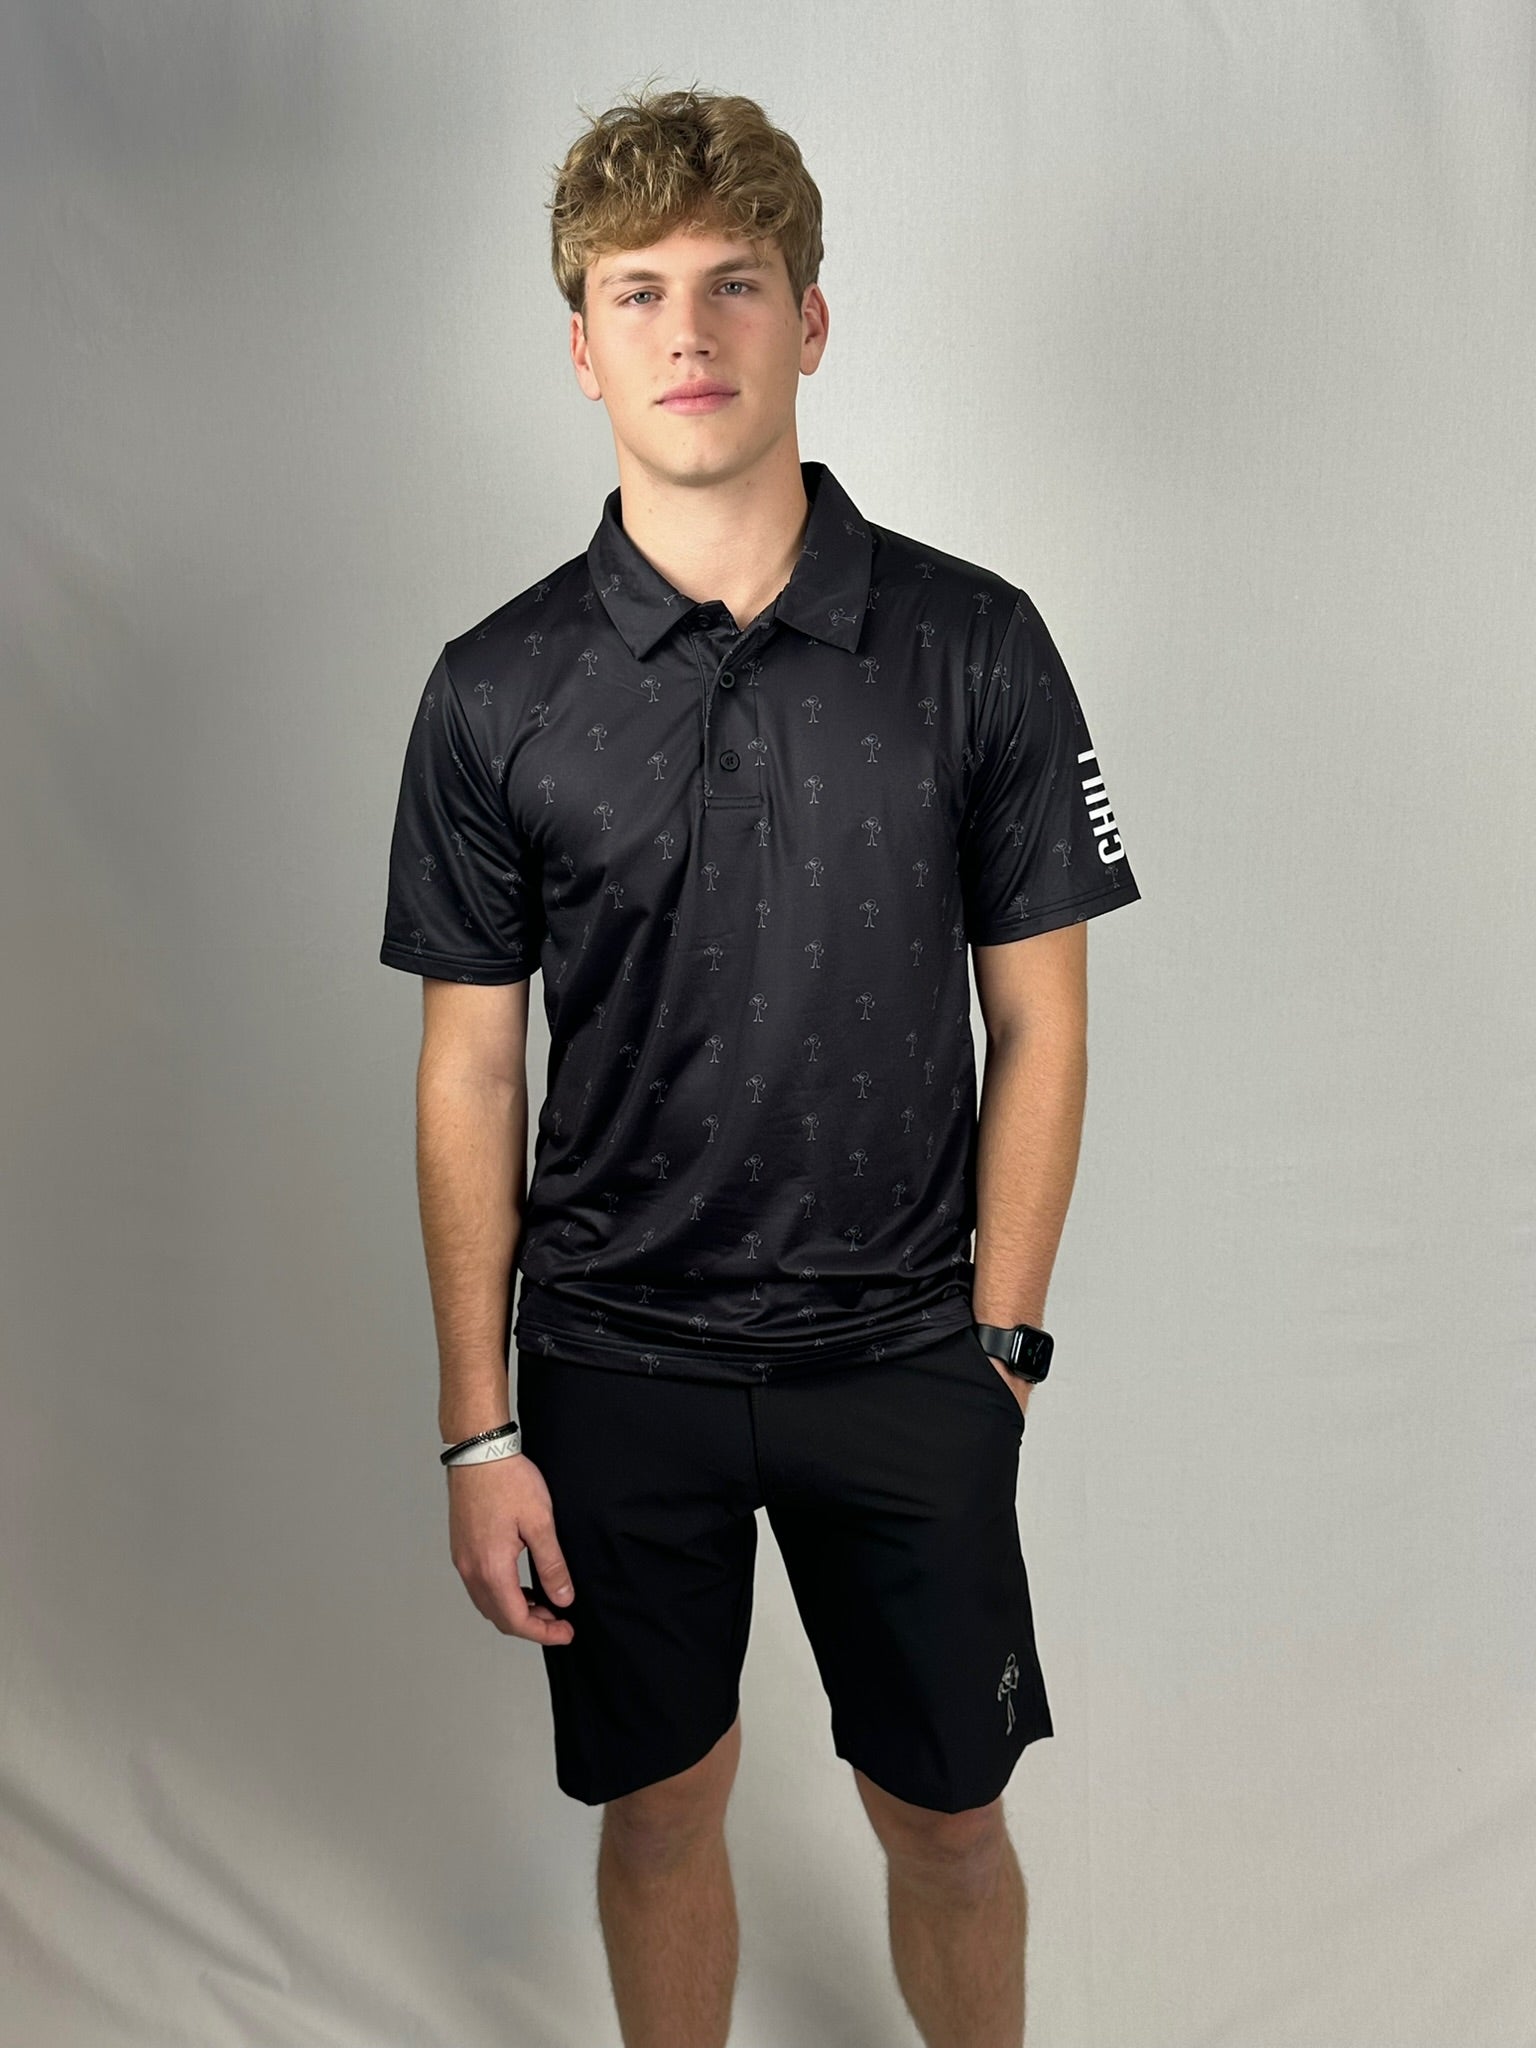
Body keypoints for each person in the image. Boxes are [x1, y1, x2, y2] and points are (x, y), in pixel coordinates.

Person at [379, 80, 1141, 2048]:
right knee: (661, 1810)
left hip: (905, 1354)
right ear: (580, 346)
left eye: (733, 283)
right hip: (614, 1365)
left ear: (810, 319)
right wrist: (478, 1431)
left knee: (949, 1822)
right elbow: (470, 1073)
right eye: (636, 293)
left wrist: (1002, 1341)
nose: (688, 331)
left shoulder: (976, 643)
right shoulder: (493, 688)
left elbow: (1042, 1017)